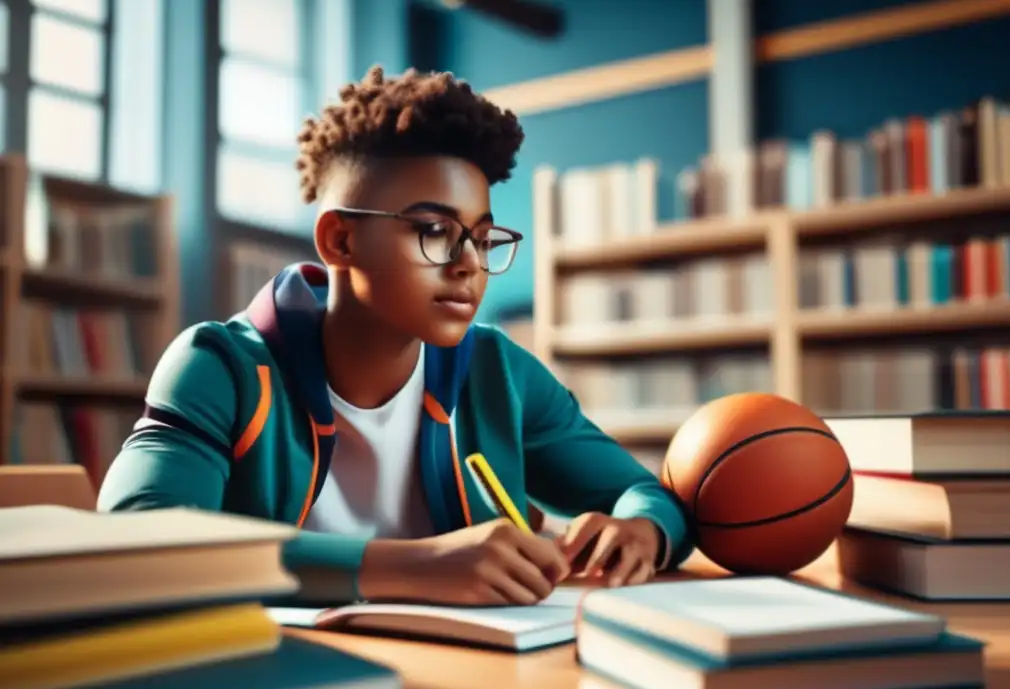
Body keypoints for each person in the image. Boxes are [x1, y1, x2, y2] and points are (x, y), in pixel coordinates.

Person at [98, 65, 693, 606]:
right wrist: (414, 567)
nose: (468, 264)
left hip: (471, 682)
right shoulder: (218, 367)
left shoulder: (499, 374)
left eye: (483, 240)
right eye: (435, 230)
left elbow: (650, 496)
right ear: (339, 241)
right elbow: (143, 540)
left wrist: (641, 530)